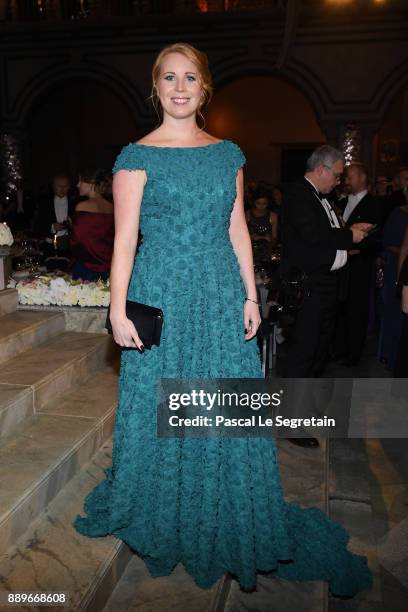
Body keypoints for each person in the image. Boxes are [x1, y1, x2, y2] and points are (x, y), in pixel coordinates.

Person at [73, 42, 372, 597]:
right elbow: (123, 243)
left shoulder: (228, 154)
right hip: (161, 289)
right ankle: (163, 505)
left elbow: (237, 228)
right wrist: (115, 308)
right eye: (169, 77)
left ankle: (221, 505)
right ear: (155, 88)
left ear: (204, 88)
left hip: (216, 294)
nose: (180, 87)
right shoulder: (136, 156)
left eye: (190, 77)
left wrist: (250, 295)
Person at [281, 146, 373, 447]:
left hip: (326, 285)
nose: (338, 182)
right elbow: (315, 236)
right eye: (335, 175)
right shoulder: (298, 194)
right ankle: (291, 424)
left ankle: (303, 410)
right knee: (304, 353)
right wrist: (350, 237)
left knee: (319, 353)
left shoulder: (323, 198)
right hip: (309, 286)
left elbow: (328, 231)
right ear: (320, 169)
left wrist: (349, 230)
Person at [334, 163, 382, 366]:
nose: (346, 181)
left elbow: (374, 238)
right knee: (340, 308)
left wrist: (355, 248)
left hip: (359, 265)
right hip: (341, 265)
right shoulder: (343, 203)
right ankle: (339, 349)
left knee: (357, 310)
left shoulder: (374, 204)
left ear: (362, 178)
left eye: (350, 177)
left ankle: (354, 354)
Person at [378, 201, 408, 370]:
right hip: (401, 275)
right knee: (397, 319)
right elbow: (403, 249)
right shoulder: (398, 213)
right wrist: (400, 280)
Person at [70, 168, 114, 281]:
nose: (77, 184)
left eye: (80, 181)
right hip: (107, 267)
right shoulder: (111, 207)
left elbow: (77, 241)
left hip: (87, 268)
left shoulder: (82, 206)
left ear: (91, 183)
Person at [34, 173, 76, 256]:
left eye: (65, 186)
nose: (62, 189)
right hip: (50, 245)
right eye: (59, 186)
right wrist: (52, 227)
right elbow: (38, 225)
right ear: (53, 186)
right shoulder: (44, 202)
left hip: (70, 246)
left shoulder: (75, 203)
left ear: (69, 187)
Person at [246, 184, 278, 265]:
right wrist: (251, 237)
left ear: (268, 203)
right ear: (254, 202)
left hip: (267, 253)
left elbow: (275, 239)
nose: (261, 206)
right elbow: (240, 236)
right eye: (258, 203)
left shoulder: (273, 216)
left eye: (264, 204)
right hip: (250, 252)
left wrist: (269, 238)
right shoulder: (248, 215)